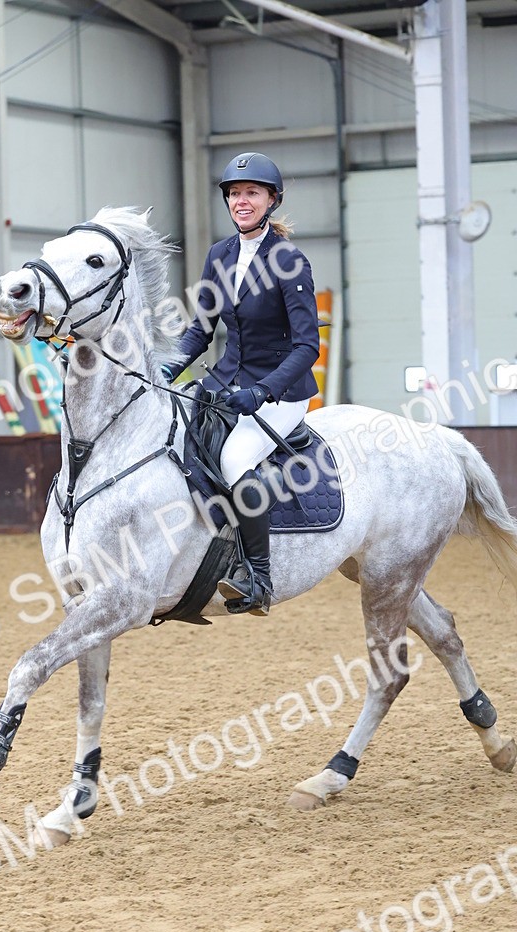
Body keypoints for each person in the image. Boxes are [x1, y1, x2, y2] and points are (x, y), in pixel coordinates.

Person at [164, 152, 320, 616]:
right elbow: (202, 328)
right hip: (226, 382)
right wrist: (167, 369)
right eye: (234, 193)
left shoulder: (289, 260)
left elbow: (307, 346)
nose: (241, 201)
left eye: (251, 192)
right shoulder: (221, 254)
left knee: (233, 459)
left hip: (280, 392)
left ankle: (258, 579)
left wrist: (264, 390)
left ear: (271, 200)